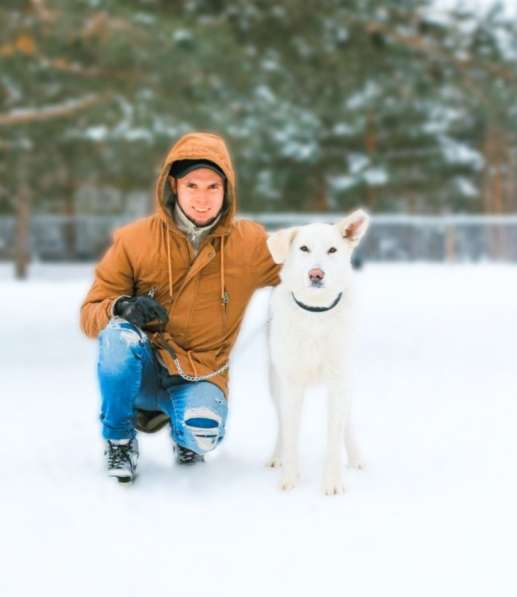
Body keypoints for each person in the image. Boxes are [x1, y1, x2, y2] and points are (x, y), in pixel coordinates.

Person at [80, 131, 280, 482]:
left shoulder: (250, 243)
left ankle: (184, 431)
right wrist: (122, 307)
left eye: (212, 187)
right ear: (173, 186)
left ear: (227, 189)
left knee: (202, 438)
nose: (202, 199)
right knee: (117, 338)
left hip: (200, 372)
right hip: (144, 368)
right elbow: (90, 313)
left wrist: (332, 253)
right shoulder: (135, 240)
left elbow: (300, 268)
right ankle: (120, 439)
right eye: (192, 186)